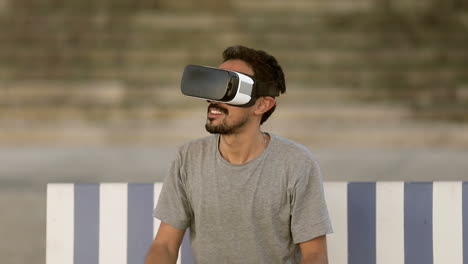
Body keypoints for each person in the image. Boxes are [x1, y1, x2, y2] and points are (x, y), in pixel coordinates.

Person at [145, 45, 333, 264]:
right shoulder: (189, 158)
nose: (213, 100)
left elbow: (315, 255)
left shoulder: (296, 163)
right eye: (212, 86)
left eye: (229, 89)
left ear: (262, 104)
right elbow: (164, 246)